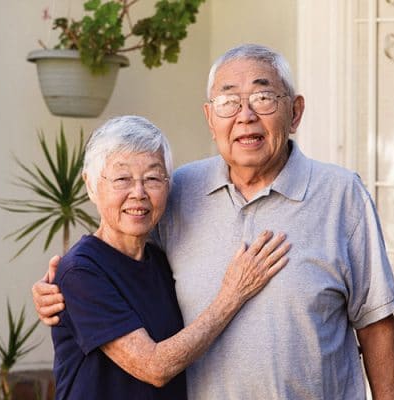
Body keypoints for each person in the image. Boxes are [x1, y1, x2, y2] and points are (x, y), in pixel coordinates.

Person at [34, 44, 394, 399]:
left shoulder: (341, 194)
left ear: (294, 112)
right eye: (228, 102)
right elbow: (119, 250)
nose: (245, 116)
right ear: (211, 119)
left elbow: (375, 324)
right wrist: (59, 286)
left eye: (263, 98)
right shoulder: (181, 190)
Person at [48, 115, 291, 400]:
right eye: (122, 179)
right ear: (91, 186)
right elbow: (154, 367)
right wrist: (233, 295)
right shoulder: (81, 272)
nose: (138, 193)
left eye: (152, 178)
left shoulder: (163, 261)